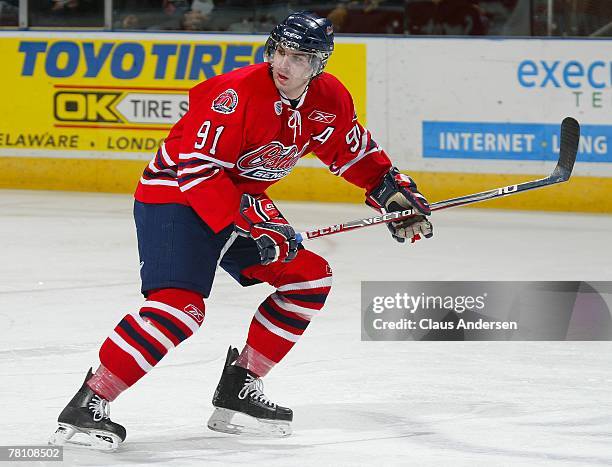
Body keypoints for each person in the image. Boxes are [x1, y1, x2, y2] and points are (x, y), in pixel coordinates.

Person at [48, 11, 433, 451]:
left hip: (239, 198)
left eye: (299, 57)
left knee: (309, 278)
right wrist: (252, 226)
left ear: (319, 63)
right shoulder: (234, 93)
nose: (284, 65)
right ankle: (90, 400)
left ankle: (240, 387)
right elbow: (197, 170)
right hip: (175, 195)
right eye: (280, 51)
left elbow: (351, 149)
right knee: (179, 308)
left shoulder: (329, 98)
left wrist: (390, 191)